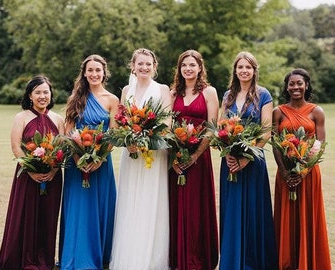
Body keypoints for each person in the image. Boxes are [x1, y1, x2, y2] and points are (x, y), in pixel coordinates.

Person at [109, 48, 171, 270]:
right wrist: (129, 140)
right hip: (132, 153)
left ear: (154, 67)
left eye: (148, 64)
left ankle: (151, 257)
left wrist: (147, 139)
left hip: (154, 154)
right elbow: (121, 121)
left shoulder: (162, 89)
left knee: (150, 199)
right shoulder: (127, 90)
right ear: (132, 66)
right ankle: (129, 254)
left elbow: (167, 124)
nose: (144, 68)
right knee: (130, 198)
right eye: (140, 64)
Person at [0, 75, 64, 269]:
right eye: (38, 92)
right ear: (30, 96)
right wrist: (31, 170)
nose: (42, 96)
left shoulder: (58, 119)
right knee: (24, 215)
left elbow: (62, 150)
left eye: (46, 92)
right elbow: (16, 148)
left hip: (53, 177)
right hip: (27, 175)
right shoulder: (21, 117)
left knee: (47, 217)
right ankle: (22, 258)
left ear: (51, 94)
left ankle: (44, 260)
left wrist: (53, 170)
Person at [58, 54, 119, 269]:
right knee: (79, 208)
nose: (94, 74)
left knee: (100, 207)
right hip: (77, 163)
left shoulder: (112, 100)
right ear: (84, 73)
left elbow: (114, 134)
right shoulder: (76, 97)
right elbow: (68, 132)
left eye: (97, 70)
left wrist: (99, 158)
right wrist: (78, 157)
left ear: (104, 72)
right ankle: (75, 256)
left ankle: (99, 255)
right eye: (90, 70)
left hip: (102, 164)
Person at [219, 51, 278, 270]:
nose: (244, 71)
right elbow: (221, 126)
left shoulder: (263, 95)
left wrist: (246, 158)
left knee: (254, 210)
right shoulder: (228, 96)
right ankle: (233, 259)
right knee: (232, 209)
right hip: (230, 161)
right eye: (240, 67)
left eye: (248, 67)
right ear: (235, 70)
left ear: (254, 71)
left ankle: (254, 260)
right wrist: (230, 154)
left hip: (253, 161)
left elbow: (265, 131)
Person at [273, 68, 331, 270]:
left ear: (306, 85)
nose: (295, 87)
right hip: (285, 174)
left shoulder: (317, 112)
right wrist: (284, 171)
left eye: (299, 83)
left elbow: (320, 144)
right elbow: (275, 143)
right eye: (291, 84)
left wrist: (303, 170)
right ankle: (288, 263)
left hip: (308, 173)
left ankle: (308, 262)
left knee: (308, 216)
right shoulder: (278, 112)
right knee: (287, 217)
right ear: (287, 87)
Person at [168, 49, 219, 270]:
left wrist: (196, 154)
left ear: (200, 68)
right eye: (184, 65)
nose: (188, 69)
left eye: (192, 65)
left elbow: (212, 127)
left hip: (199, 158)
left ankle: (198, 257)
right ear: (179, 69)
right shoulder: (172, 93)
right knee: (177, 205)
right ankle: (178, 257)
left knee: (197, 207)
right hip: (176, 158)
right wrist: (174, 156)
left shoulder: (209, 92)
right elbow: (167, 127)